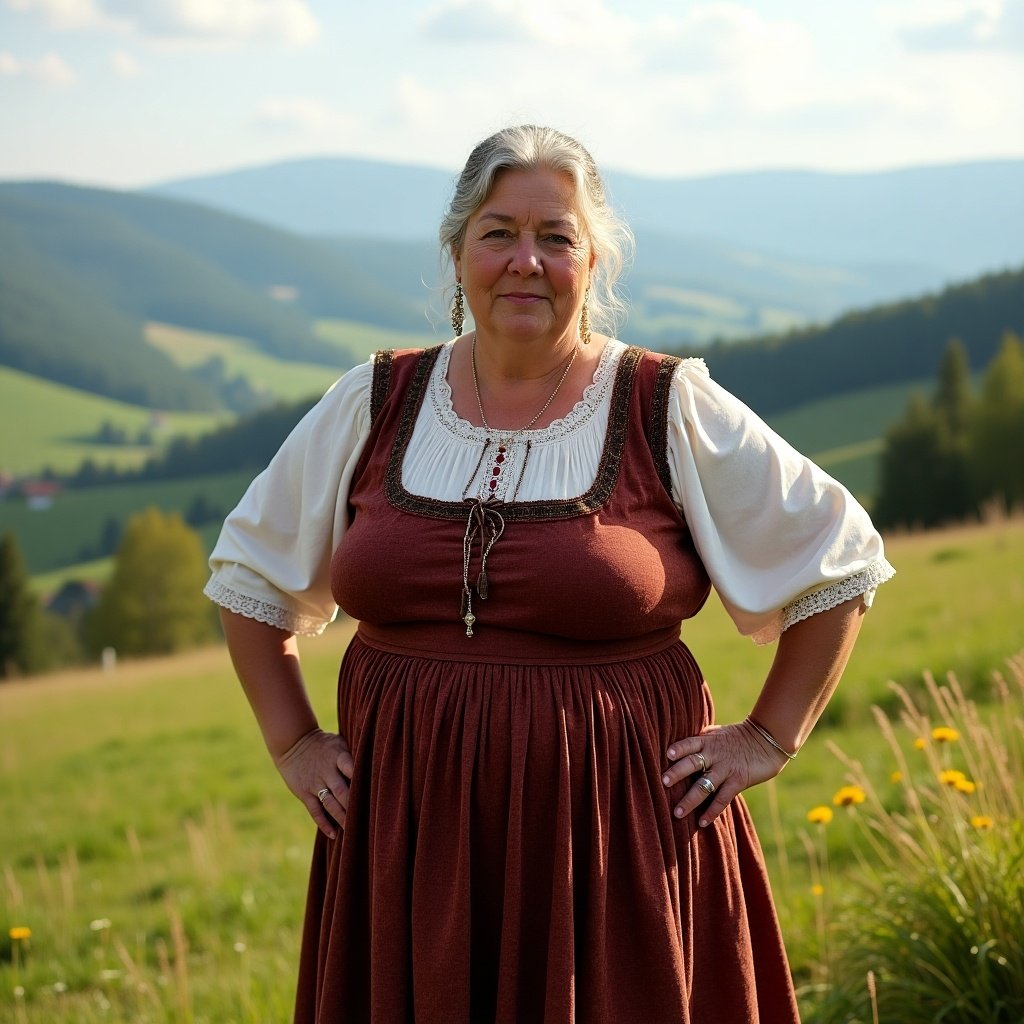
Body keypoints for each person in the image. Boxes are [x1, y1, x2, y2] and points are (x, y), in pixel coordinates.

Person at [205, 124, 894, 1023]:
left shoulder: (662, 402)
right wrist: (295, 743)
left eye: (556, 237)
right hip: (408, 837)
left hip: (615, 839)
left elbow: (837, 556)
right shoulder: (375, 400)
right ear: (458, 254)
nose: (525, 260)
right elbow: (250, 575)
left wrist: (770, 736)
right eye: (498, 233)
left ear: (594, 259)